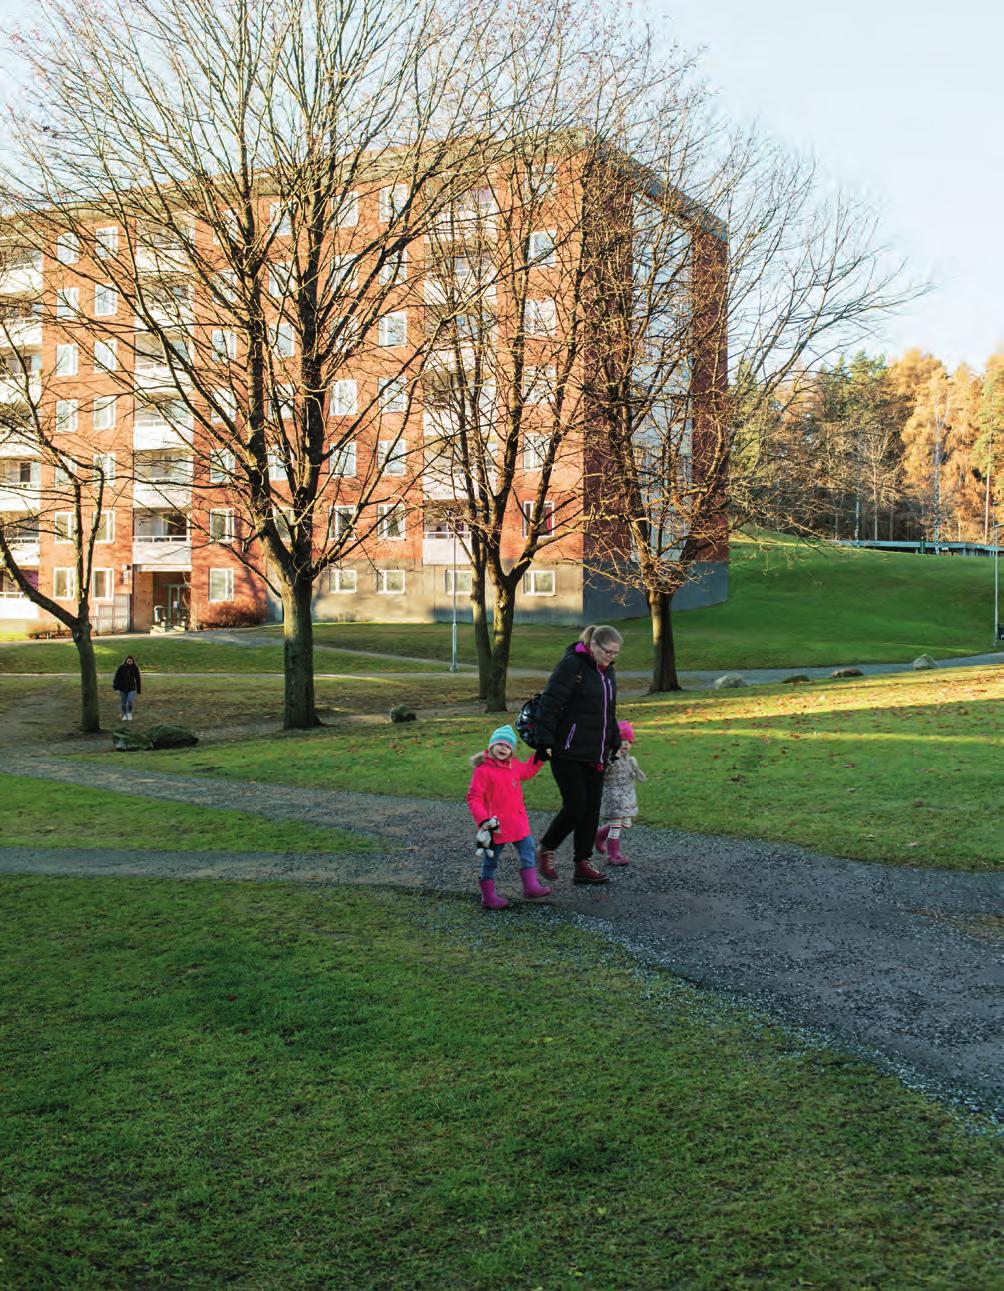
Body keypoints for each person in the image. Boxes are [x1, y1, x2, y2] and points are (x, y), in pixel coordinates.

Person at [532, 624, 622, 884]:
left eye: (616, 653)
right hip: (567, 750)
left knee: (591, 810)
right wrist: (544, 741)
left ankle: (583, 863)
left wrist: (614, 739)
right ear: (594, 646)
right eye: (608, 651)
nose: (612, 657)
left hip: (596, 752)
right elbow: (549, 704)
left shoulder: (607, 672)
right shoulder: (572, 666)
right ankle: (546, 847)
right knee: (575, 807)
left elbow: (609, 711)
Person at [466, 724, 552, 910]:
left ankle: (531, 887)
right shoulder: (483, 770)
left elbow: (528, 770)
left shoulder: (514, 767)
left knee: (527, 851)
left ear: (512, 750)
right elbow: (474, 798)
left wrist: (540, 756)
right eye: (500, 744)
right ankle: (488, 897)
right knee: (491, 861)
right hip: (495, 826)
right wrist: (483, 821)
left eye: (508, 746)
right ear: (491, 746)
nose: (503, 748)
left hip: (518, 823)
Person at [596, 720, 646, 865]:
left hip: (627, 798)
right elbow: (603, 769)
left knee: (626, 824)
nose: (625, 744)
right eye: (622, 741)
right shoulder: (609, 758)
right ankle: (613, 855)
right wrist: (613, 757)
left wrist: (636, 770)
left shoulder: (629, 759)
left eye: (628, 741)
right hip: (613, 797)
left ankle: (599, 835)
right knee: (616, 826)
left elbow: (637, 776)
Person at [112, 655, 142, 722]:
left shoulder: (135, 668)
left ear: (133, 661)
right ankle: (124, 714)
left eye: (130, 661)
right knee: (123, 703)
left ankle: (129, 713)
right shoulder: (121, 668)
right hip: (122, 688)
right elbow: (116, 677)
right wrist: (115, 686)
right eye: (128, 661)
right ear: (126, 661)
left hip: (131, 688)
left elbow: (138, 679)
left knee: (130, 701)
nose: (129, 662)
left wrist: (139, 690)